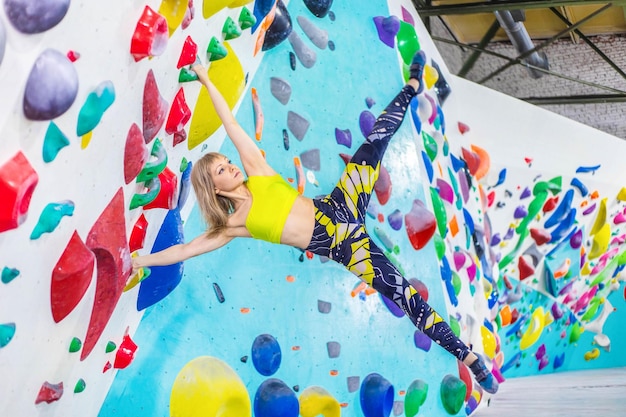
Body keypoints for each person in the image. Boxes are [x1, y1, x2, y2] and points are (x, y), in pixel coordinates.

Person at [132, 52, 498, 394]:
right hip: (344, 247)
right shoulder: (233, 225)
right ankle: (468, 356)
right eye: (221, 171)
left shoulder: (257, 173)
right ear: (214, 188)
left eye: (227, 162)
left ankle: (413, 85)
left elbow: (230, 123)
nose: (230, 167)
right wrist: (139, 261)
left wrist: (205, 78)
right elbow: (184, 250)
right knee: (404, 295)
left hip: (341, 205)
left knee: (377, 140)